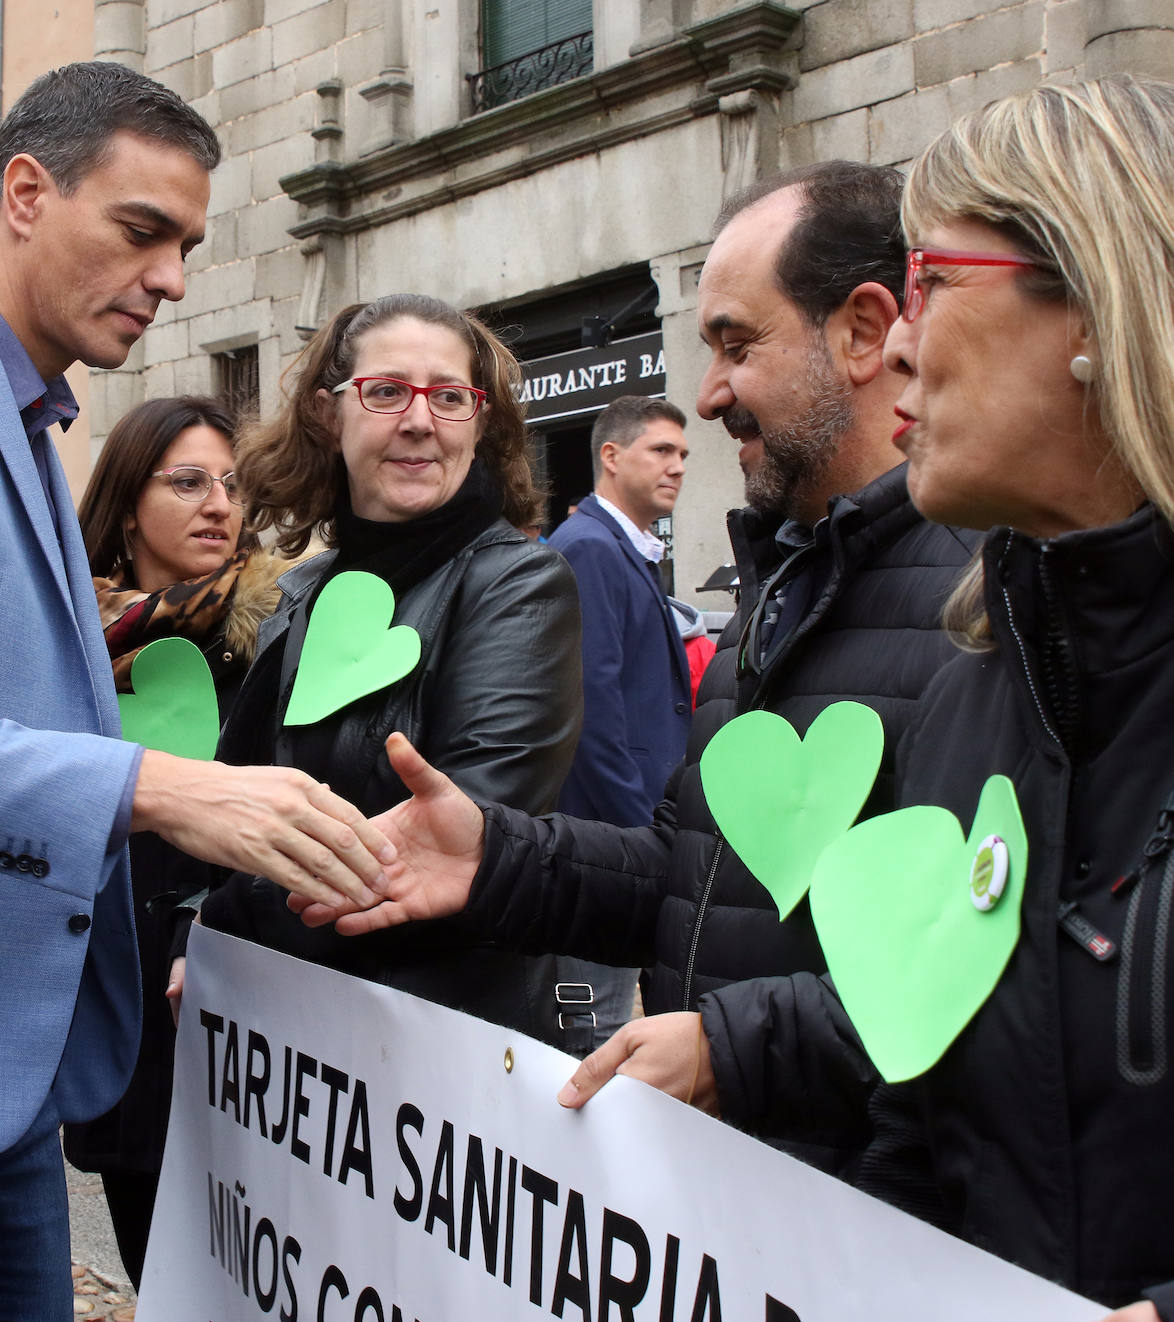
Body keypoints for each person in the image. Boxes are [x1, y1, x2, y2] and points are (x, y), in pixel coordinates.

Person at [0, 64, 393, 1321]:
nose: (173, 276)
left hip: (1, 1074)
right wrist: (154, 784)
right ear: (25, 191)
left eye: (186, 243)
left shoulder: (25, 414)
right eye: (143, 231)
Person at [296, 161, 976, 1180]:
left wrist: (731, 1049)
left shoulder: (983, 601)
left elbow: (993, 964)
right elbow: (688, 876)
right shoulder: (785, 591)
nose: (705, 399)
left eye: (736, 345)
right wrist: (493, 858)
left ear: (867, 332)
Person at [848, 75, 1174, 1319]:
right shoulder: (977, 693)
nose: (893, 346)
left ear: (1093, 298)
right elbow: (920, 1120)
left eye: (926, 281)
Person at [187, 293, 587, 1049]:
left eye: (449, 396)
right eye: (386, 390)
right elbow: (234, 801)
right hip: (283, 1040)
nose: (418, 420)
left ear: (482, 421)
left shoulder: (518, 583)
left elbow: (458, 833)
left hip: (433, 1050)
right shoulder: (304, 591)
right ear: (326, 414)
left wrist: (226, 926)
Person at [64, 395, 289, 1287]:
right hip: (116, 990)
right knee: (158, 1267)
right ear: (126, 507)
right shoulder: (69, 643)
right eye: (188, 482)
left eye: (231, 486)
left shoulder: (278, 633)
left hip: (240, 987)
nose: (219, 506)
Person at [548, 396, 692, 1045]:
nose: (678, 466)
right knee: (586, 1027)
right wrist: (641, 837)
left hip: (621, 837)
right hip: (604, 840)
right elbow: (590, 708)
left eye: (684, 454)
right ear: (611, 456)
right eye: (661, 450)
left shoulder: (621, 547)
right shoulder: (590, 547)